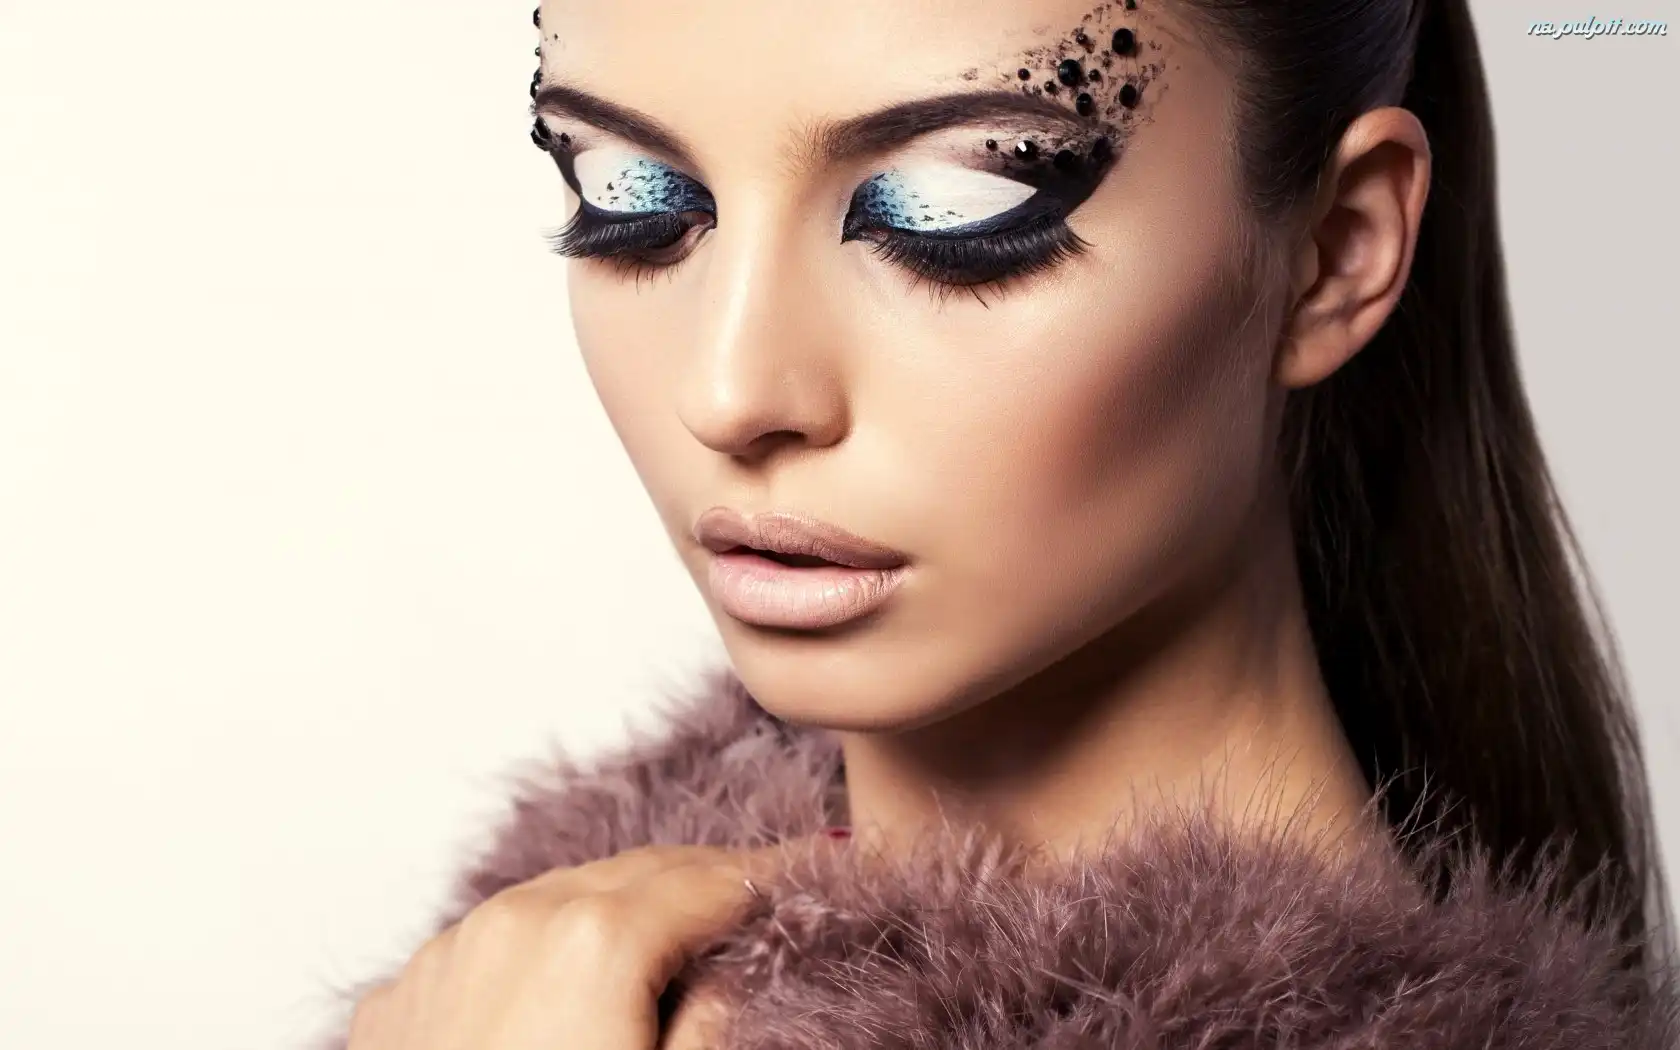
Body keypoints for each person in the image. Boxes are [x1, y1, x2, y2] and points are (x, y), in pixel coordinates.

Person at [327, 0, 1679, 1047]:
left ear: (1336, 252)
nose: (731, 390)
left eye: (949, 211)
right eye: (634, 199)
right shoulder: (537, 972)